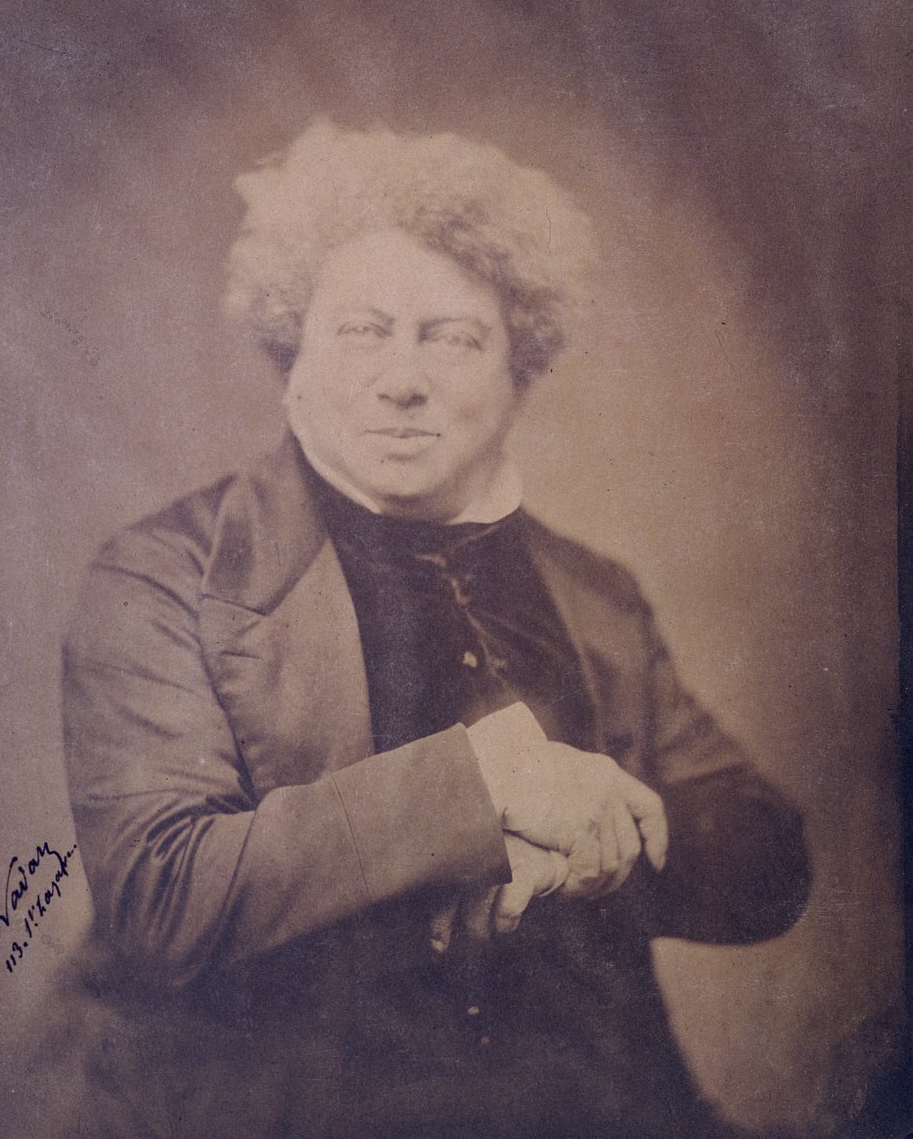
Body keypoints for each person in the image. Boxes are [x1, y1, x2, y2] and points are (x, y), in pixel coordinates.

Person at [61, 120, 810, 1139]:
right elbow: (161, 897)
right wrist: (487, 788)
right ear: (293, 356)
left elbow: (768, 855)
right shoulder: (167, 576)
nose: (402, 378)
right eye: (361, 331)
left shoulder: (594, 594)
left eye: (453, 338)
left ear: (518, 373)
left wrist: (601, 843)